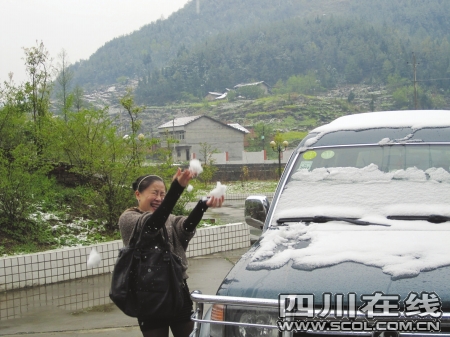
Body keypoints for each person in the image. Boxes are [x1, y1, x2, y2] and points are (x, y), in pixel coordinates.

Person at [118, 168, 224, 337]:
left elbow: (185, 227)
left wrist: (202, 205)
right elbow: (152, 225)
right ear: (138, 194)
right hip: (149, 293)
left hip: (177, 289)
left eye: (163, 193)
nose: (159, 198)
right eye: (155, 193)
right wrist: (177, 187)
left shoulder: (168, 218)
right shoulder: (129, 218)